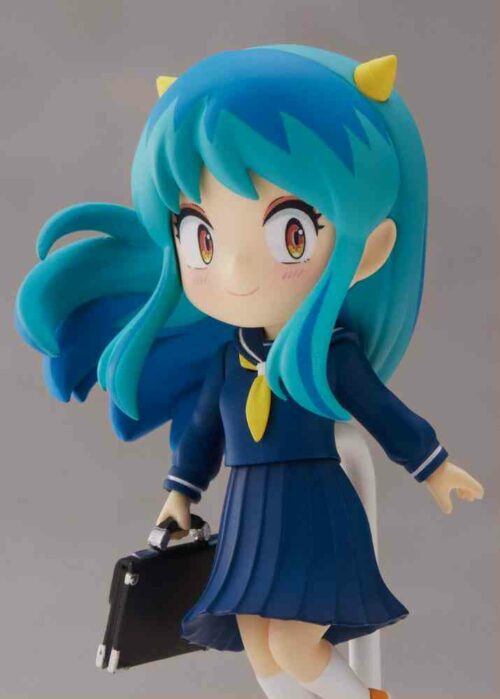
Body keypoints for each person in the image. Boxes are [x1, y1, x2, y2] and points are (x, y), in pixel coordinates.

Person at [16, 46, 484, 699]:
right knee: (262, 648)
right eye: (201, 236)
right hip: (249, 508)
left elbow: (381, 409)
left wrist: (432, 464)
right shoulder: (228, 358)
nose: (235, 270)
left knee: (294, 644)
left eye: (292, 233)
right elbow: (203, 431)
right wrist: (181, 493)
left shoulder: (329, 353)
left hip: (312, 506)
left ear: (368, 247)